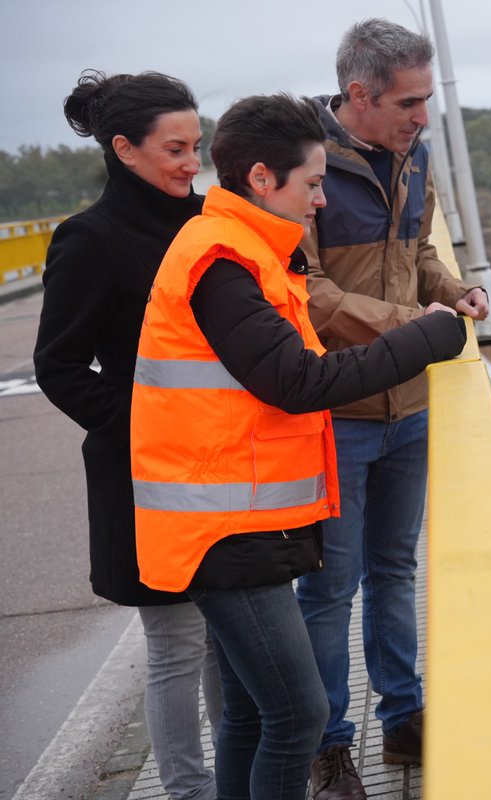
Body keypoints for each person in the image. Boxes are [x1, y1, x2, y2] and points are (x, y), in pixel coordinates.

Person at [130, 93, 467, 800]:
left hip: (239, 514)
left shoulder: (250, 252)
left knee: (254, 713)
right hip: (222, 526)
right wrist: (422, 338)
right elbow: (298, 381)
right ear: (261, 179)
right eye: (312, 185)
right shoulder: (222, 262)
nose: (319, 203)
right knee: (299, 713)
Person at [295, 18, 489, 799]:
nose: (421, 116)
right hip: (336, 413)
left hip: (408, 406)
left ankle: (404, 720)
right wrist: (416, 326)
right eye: (409, 102)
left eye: (425, 101)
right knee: (329, 587)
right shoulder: (301, 169)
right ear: (358, 94)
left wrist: (454, 293)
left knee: (394, 569)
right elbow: (308, 296)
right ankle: (327, 745)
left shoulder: (416, 152)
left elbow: (419, 255)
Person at [33, 70, 221, 800]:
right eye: (174, 149)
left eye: (196, 146)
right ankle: (187, 789)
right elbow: (59, 366)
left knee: (234, 642)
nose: (189, 163)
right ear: (125, 149)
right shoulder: (89, 239)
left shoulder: (210, 221)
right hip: (148, 475)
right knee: (177, 644)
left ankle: (235, 778)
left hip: (232, 468)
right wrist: (151, 426)